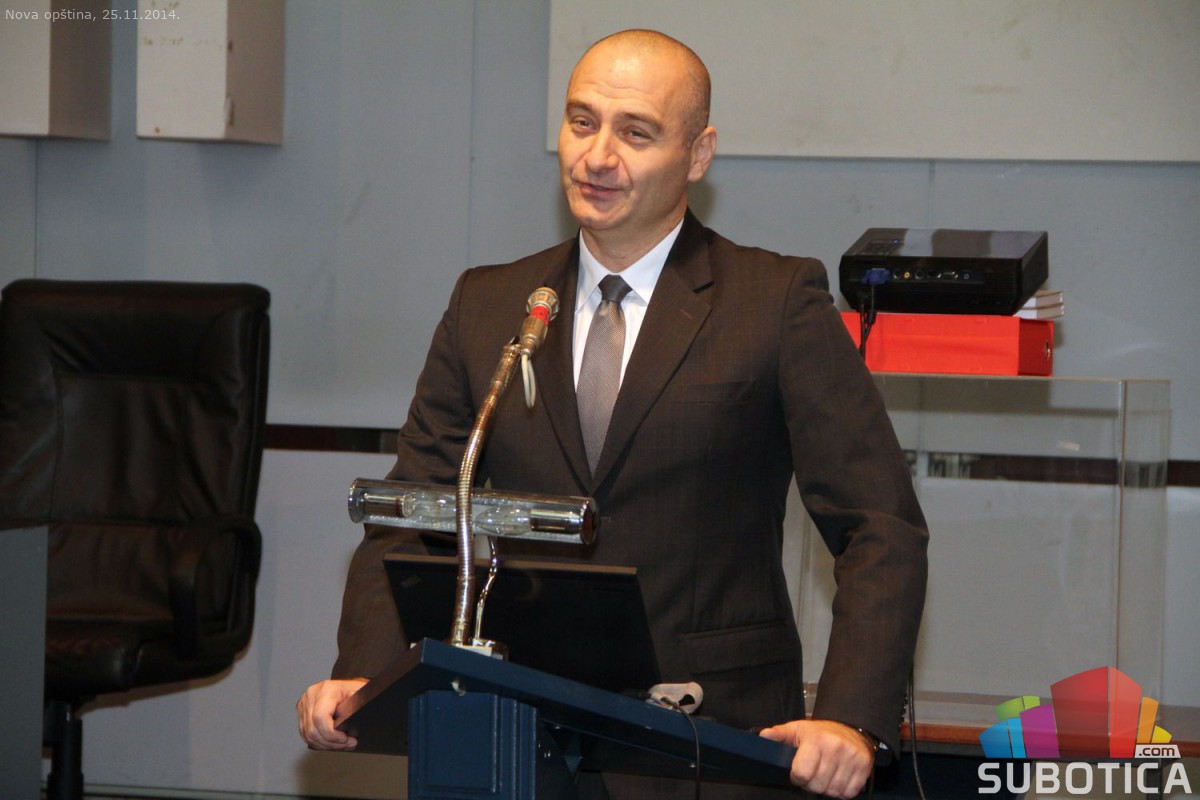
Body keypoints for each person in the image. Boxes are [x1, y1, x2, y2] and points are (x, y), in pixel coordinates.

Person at [298, 29, 928, 799]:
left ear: (697, 155)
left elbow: (880, 525)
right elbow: (413, 509)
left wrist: (850, 718)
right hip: (519, 734)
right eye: (581, 122)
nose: (597, 156)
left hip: (711, 739)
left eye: (635, 133)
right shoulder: (490, 305)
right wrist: (366, 672)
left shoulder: (774, 303)